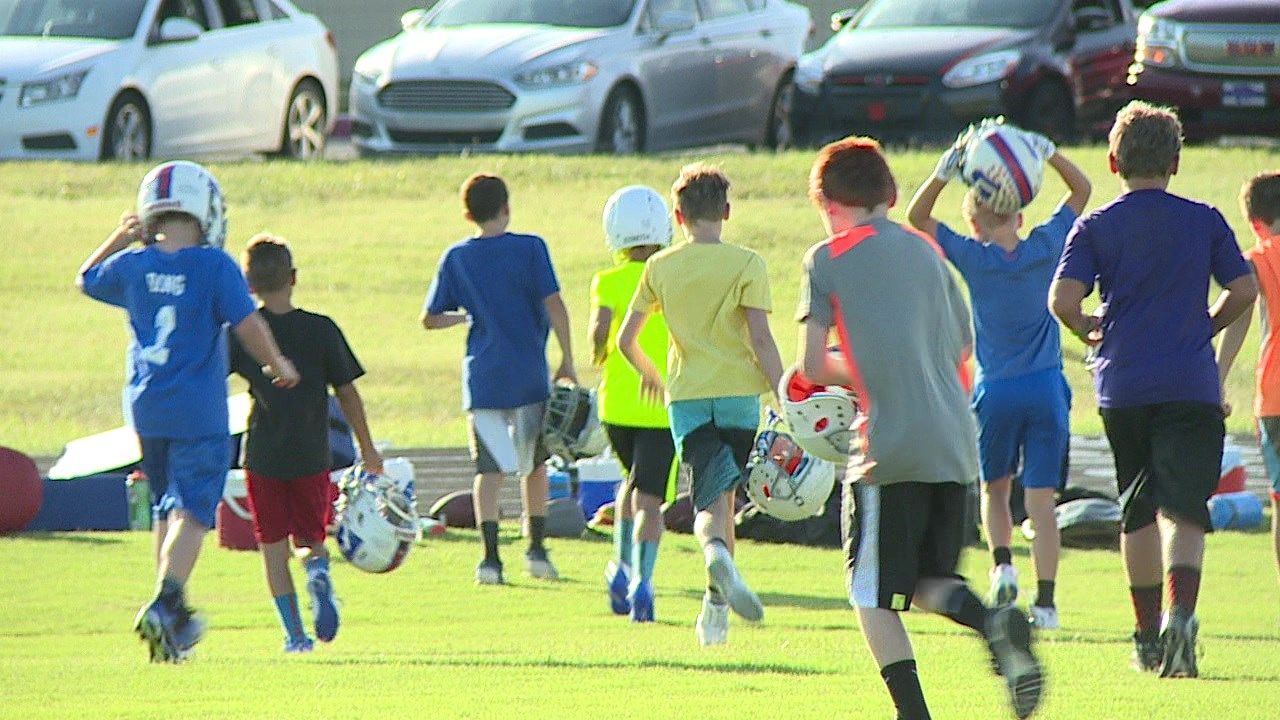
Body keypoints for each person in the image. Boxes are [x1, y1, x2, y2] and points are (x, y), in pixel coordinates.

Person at [799, 137, 1042, 720]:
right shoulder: (929, 251)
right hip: (956, 443)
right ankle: (993, 624)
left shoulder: (826, 258)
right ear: (892, 194)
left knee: (870, 595)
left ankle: (914, 714)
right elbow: (963, 344)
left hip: (887, 447)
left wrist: (846, 368)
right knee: (931, 580)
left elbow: (811, 367)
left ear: (828, 203)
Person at [1050, 101, 1257, 678]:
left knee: (1136, 509)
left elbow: (1063, 300)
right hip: (1190, 381)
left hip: (1125, 383)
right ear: (1177, 161)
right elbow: (1243, 289)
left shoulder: (1096, 226)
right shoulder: (1204, 218)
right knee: (1186, 508)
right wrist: (1206, 325)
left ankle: (1145, 635)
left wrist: (1086, 326)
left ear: (1113, 160)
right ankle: (1181, 616)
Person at [76, 161, 299, 662]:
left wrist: (119, 236)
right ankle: (166, 601)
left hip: (146, 404)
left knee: (165, 508)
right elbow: (247, 325)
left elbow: (85, 278)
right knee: (194, 512)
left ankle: (171, 633)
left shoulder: (134, 264)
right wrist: (276, 362)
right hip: (196, 407)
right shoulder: (214, 265)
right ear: (203, 210)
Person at [907, 122, 1092, 630]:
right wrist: (1046, 149)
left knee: (995, 490)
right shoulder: (1045, 246)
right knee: (1042, 501)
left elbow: (917, 216)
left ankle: (1003, 567)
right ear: (1022, 211)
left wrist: (947, 168)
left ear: (974, 225)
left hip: (995, 392)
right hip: (1046, 389)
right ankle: (1048, 603)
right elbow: (1083, 189)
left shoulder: (973, 258)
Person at [618, 163, 783, 646]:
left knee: (709, 499)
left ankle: (715, 582)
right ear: (727, 212)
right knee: (721, 501)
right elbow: (762, 338)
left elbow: (627, 341)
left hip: (687, 398)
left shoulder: (659, 266)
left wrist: (655, 377)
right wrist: (783, 393)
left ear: (677, 215)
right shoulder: (748, 263)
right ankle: (714, 596)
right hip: (738, 397)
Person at [228, 234, 383, 653]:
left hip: (262, 453)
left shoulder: (243, 333)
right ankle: (317, 572)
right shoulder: (321, 329)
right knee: (310, 540)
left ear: (247, 284)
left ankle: (295, 635)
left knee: (272, 547)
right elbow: (348, 392)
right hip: (313, 453)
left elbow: (209, 381)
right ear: (293, 277)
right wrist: (367, 448)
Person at [421, 173, 577, 585]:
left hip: (484, 378)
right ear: (506, 207)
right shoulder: (531, 248)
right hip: (528, 374)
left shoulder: (456, 257)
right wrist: (568, 359)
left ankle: (490, 559)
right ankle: (536, 551)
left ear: (468, 213)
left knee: (488, 473)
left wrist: (463, 317)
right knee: (534, 466)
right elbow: (555, 304)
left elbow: (430, 318)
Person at [591, 186, 677, 623]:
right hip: (661, 406)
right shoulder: (670, 276)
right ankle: (642, 578)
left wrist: (599, 358)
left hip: (616, 406)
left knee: (629, 481)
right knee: (650, 501)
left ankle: (619, 565)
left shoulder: (606, 281)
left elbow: (599, 334)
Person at [1217, 171, 1280, 594]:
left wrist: (1215, 377)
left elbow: (1238, 313)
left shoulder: (1259, 259)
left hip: (1275, 398)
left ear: (1255, 221)